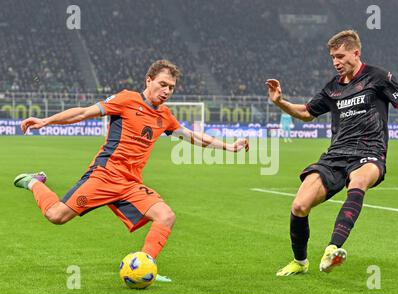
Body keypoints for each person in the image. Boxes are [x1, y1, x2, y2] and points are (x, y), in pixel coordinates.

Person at [14, 59, 249, 281]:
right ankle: (34, 182)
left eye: (171, 87)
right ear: (149, 80)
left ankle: (146, 267)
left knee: (166, 216)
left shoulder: (165, 116)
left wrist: (230, 147)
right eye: (162, 84)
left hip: (130, 184)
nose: (167, 91)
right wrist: (46, 121)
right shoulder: (126, 99)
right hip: (104, 175)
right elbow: (84, 112)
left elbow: (192, 137)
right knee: (56, 216)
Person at [266, 30, 398, 275]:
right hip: (335, 155)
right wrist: (279, 102)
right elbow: (306, 113)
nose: (335, 62)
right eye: (332, 57)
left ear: (356, 53)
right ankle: (300, 262)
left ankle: (332, 249)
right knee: (299, 206)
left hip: (370, 152)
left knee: (358, 182)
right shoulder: (332, 89)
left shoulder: (378, 77)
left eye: (340, 56)